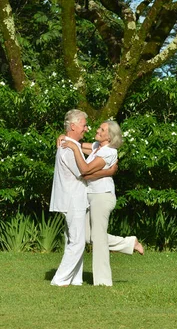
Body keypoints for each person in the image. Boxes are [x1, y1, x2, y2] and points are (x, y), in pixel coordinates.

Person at [61, 120, 144, 287]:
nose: (97, 130)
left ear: (110, 136)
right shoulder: (96, 147)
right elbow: (77, 144)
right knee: (85, 235)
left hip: (102, 196)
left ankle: (103, 281)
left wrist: (73, 148)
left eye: (102, 129)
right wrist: (64, 138)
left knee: (98, 239)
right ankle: (129, 243)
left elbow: (85, 170)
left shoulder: (109, 152)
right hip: (90, 195)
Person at [49, 109, 97, 286]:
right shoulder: (68, 149)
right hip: (72, 200)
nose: (86, 128)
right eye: (84, 125)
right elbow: (83, 172)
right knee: (76, 242)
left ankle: (75, 279)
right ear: (74, 126)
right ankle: (60, 279)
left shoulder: (71, 145)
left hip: (74, 199)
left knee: (75, 239)